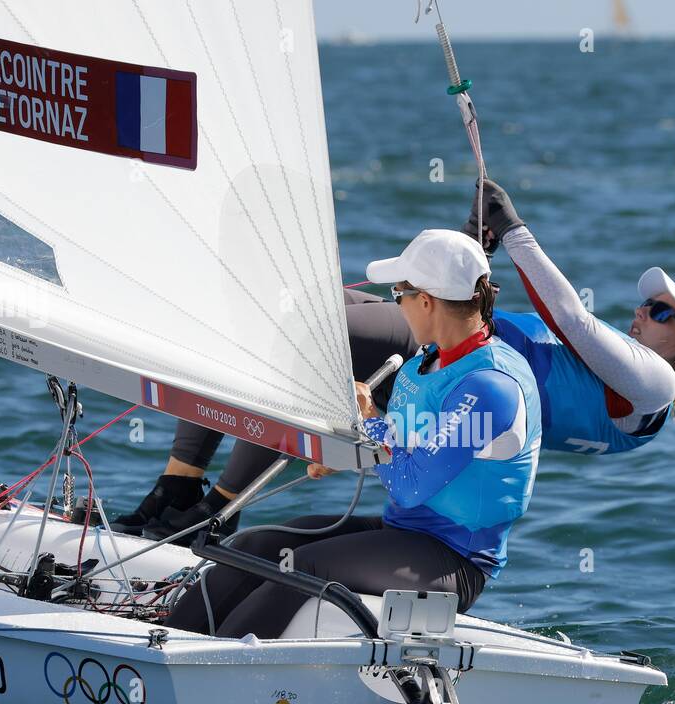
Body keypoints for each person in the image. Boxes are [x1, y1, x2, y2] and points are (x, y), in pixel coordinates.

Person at [113, 179, 675, 539]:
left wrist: (514, 231)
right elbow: (519, 323)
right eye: (649, 303)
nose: (643, 312)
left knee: (305, 327)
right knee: (293, 308)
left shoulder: (650, 387)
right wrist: (478, 248)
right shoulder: (633, 400)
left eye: (664, 313)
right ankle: (180, 486)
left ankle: (214, 507)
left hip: (449, 364)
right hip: (447, 365)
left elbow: (568, 318)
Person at [165, 229, 541, 639]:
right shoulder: (426, 360)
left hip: (453, 558)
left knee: (302, 565)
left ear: (427, 302)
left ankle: (218, 665)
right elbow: (411, 443)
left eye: (399, 295)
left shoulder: (490, 386)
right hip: (405, 532)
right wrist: (347, 447)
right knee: (257, 546)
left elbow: (412, 483)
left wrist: (368, 425)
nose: (397, 306)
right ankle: (170, 638)